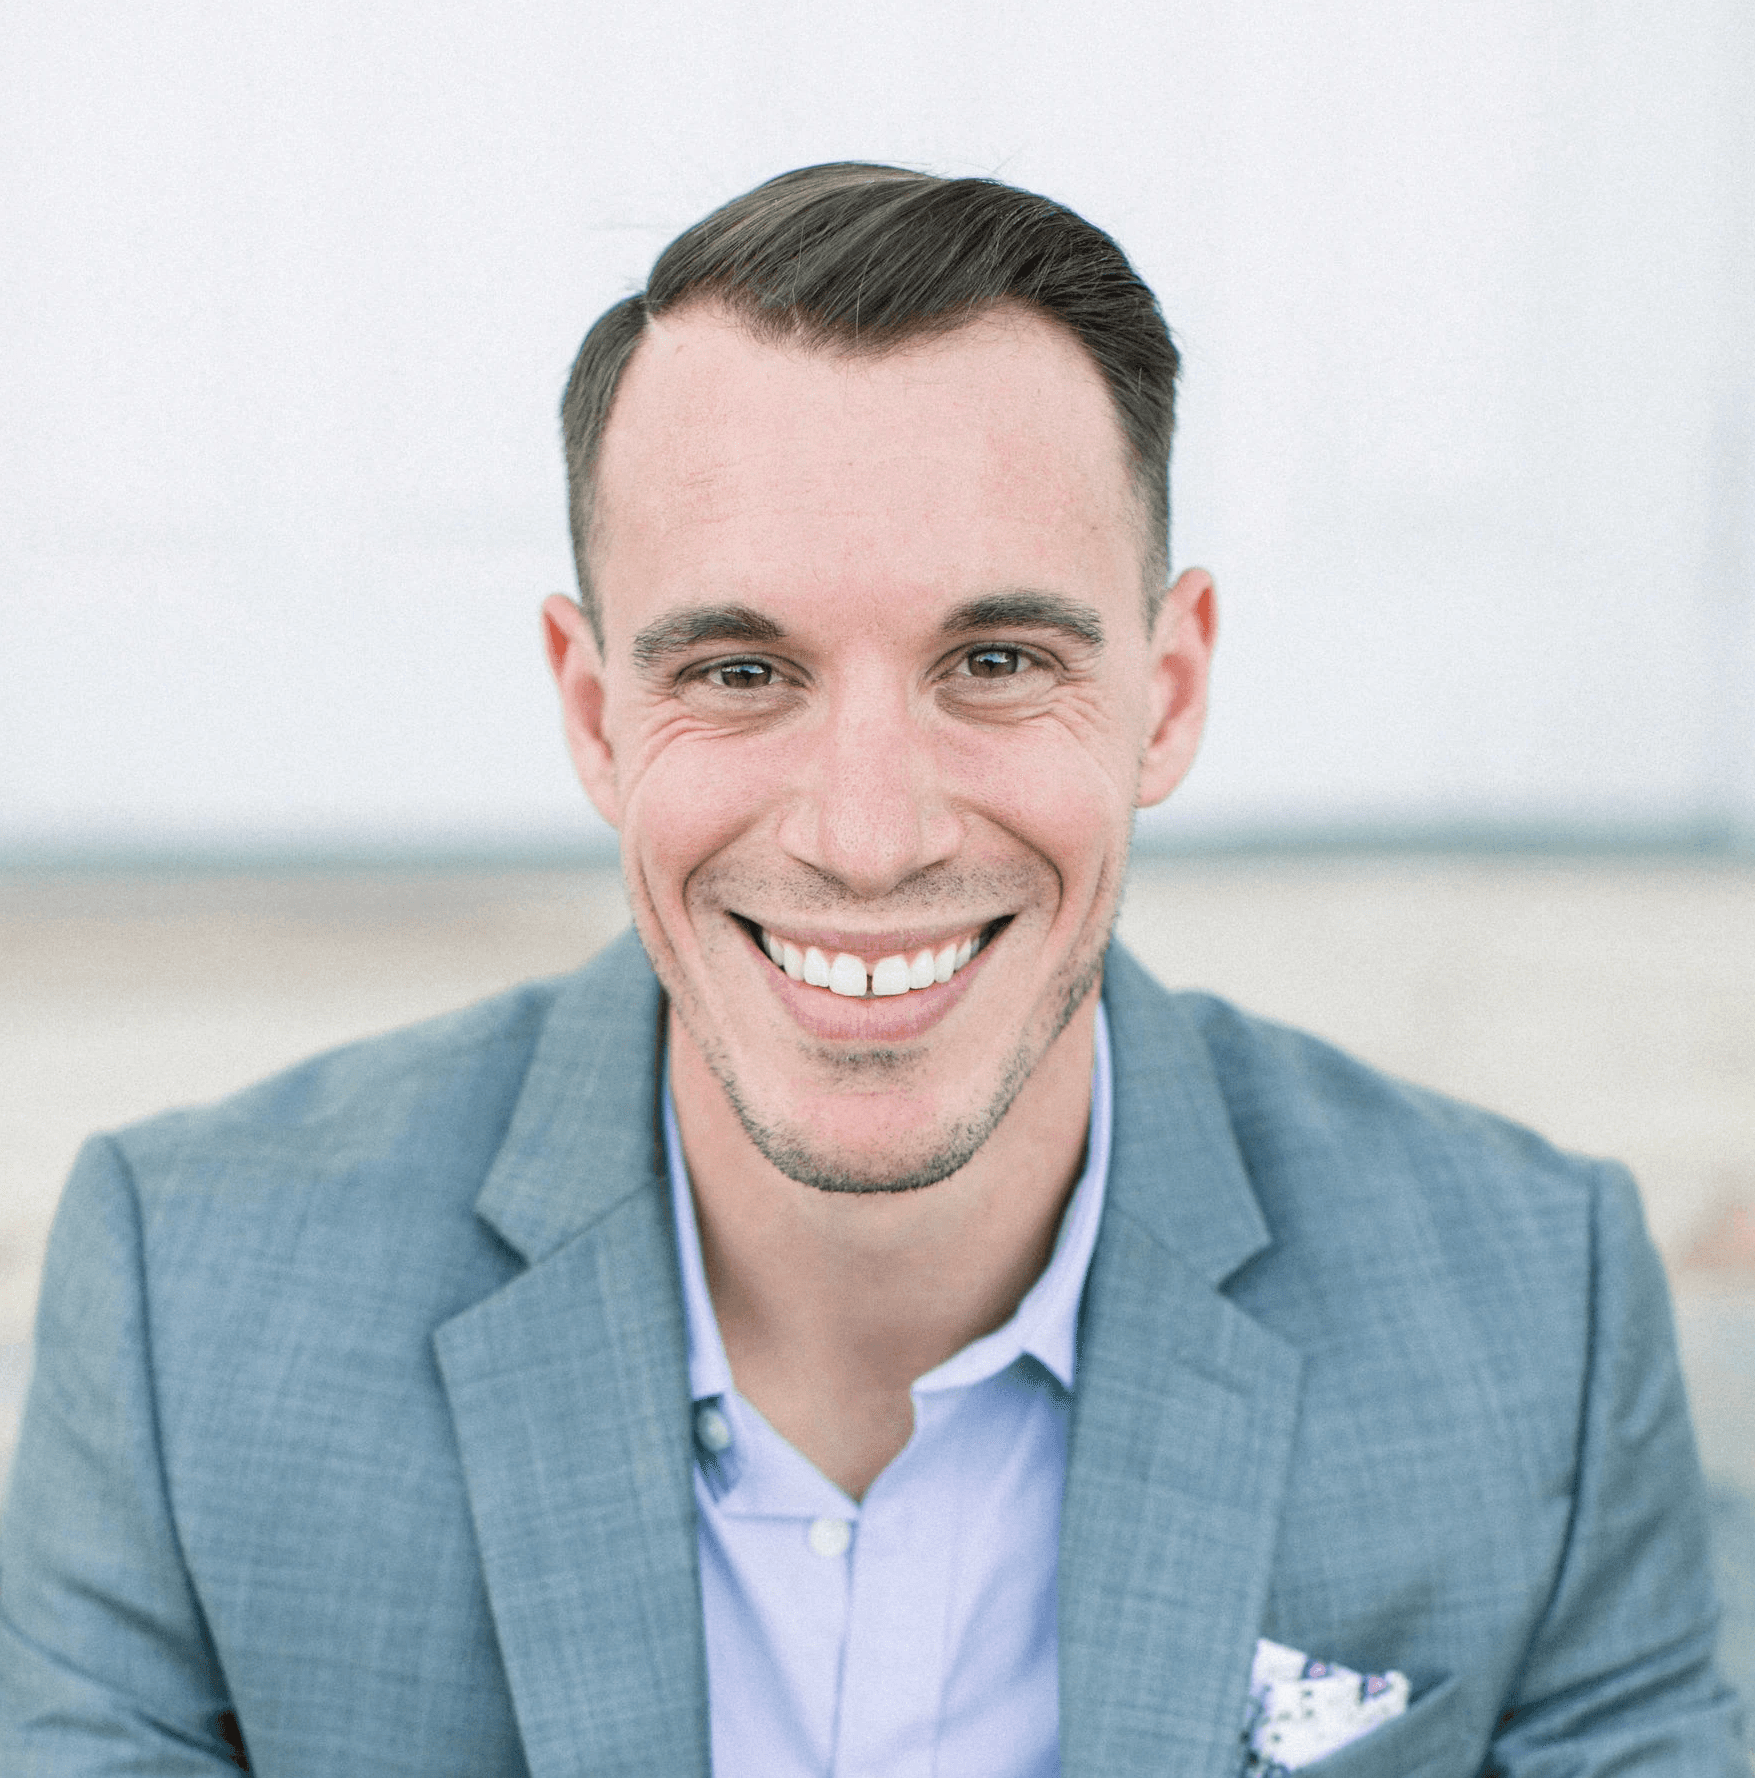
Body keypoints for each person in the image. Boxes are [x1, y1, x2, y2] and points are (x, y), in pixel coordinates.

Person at [0, 163, 1745, 1777]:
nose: (866, 834)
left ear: (1168, 691)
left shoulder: (1537, 1309)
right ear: (595, 714)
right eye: (740, 672)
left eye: (994, 659)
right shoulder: (189, 1304)